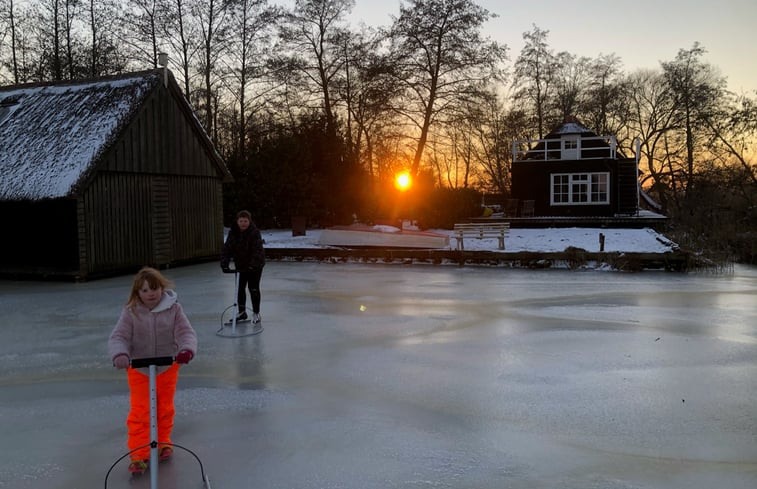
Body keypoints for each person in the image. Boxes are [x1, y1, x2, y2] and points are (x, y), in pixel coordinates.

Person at [108, 267, 198, 475]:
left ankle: (164, 442)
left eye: (154, 288)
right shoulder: (131, 311)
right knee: (141, 411)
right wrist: (120, 354)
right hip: (139, 368)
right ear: (137, 293)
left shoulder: (174, 309)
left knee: (164, 407)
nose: (151, 294)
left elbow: (186, 332)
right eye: (145, 290)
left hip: (167, 366)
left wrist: (186, 349)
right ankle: (140, 454)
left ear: (162, 288)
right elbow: (119, 337)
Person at [220, 210, 266, 324]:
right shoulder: (233, 232)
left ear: (249, 221)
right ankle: (241, 312)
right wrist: (224, 263)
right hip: (240, 265)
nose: (243, 223)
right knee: (240, 289)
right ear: (237, 221)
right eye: (241, 221)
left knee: (253, 288)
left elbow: (258, 251)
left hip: (255, 266)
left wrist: (252, 265)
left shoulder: (254, 233)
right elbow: (227, 249)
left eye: (246, 221)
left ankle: (256, 313)